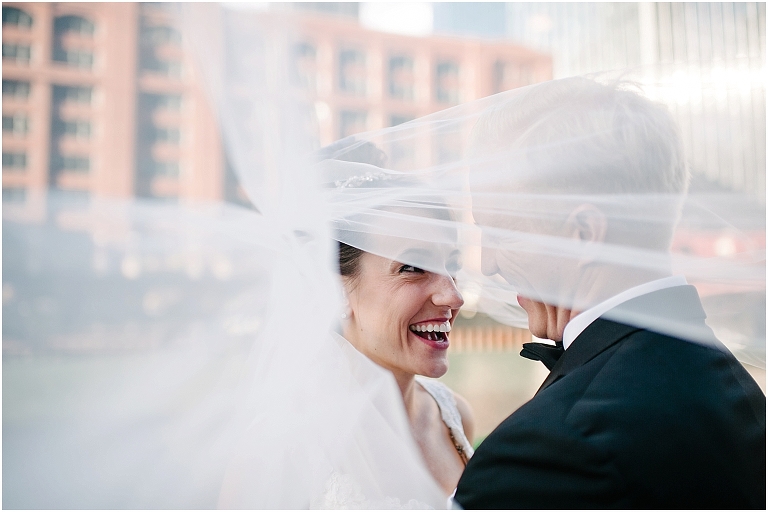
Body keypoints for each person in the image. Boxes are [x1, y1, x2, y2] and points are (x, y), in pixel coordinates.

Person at [454, 77, 766, 508]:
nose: (487, 263)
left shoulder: (548, 451)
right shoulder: (740, 393)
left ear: (583, 234)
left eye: (501, 233)